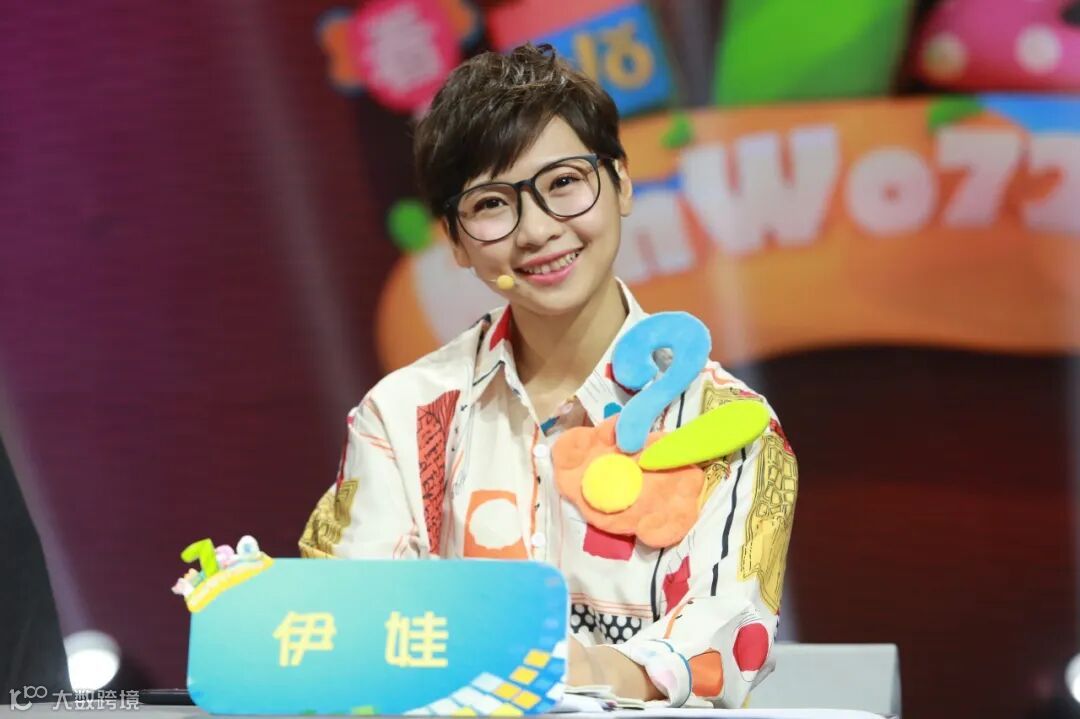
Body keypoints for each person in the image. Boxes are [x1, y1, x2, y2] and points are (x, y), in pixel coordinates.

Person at [300, 43, 798, 708]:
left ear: (621, 183)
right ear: (455, 240)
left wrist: (583, 672)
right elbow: (356, 614)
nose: (536, 230)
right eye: (491, 204)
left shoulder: (728, 423)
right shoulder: (401, 415)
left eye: (563, 183)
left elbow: (729, 631)